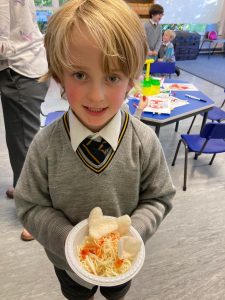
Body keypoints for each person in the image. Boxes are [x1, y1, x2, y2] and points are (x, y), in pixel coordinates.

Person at [15, 0, 176, 299]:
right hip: (67, 263)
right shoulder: (45, 145)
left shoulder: (143, 142)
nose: (96, 95)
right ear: (58, 74)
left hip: (122, 261)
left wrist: (132, 234)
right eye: (79, 75)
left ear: (130, 81)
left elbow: (159, 197)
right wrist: (70, 239)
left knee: (116, 294)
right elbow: (29, 205)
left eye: (112, 77)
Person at [0, 0, 49, 241]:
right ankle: (22, 185)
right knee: (16, 138)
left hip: (20, 66)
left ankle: (35, 212)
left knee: (25, 143)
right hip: (16, 64)